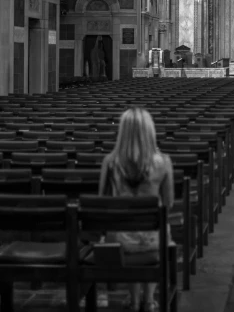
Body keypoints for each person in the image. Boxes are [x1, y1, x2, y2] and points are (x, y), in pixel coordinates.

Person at [99, 107, 174, 312]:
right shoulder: (163, 163)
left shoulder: (111, 163)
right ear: (150, 132)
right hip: (153, 242)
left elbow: (103, 202)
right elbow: (168, 203)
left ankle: (133, 300)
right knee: (156, 226)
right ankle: (148, 301)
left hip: (118, 244)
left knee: (125, 228)